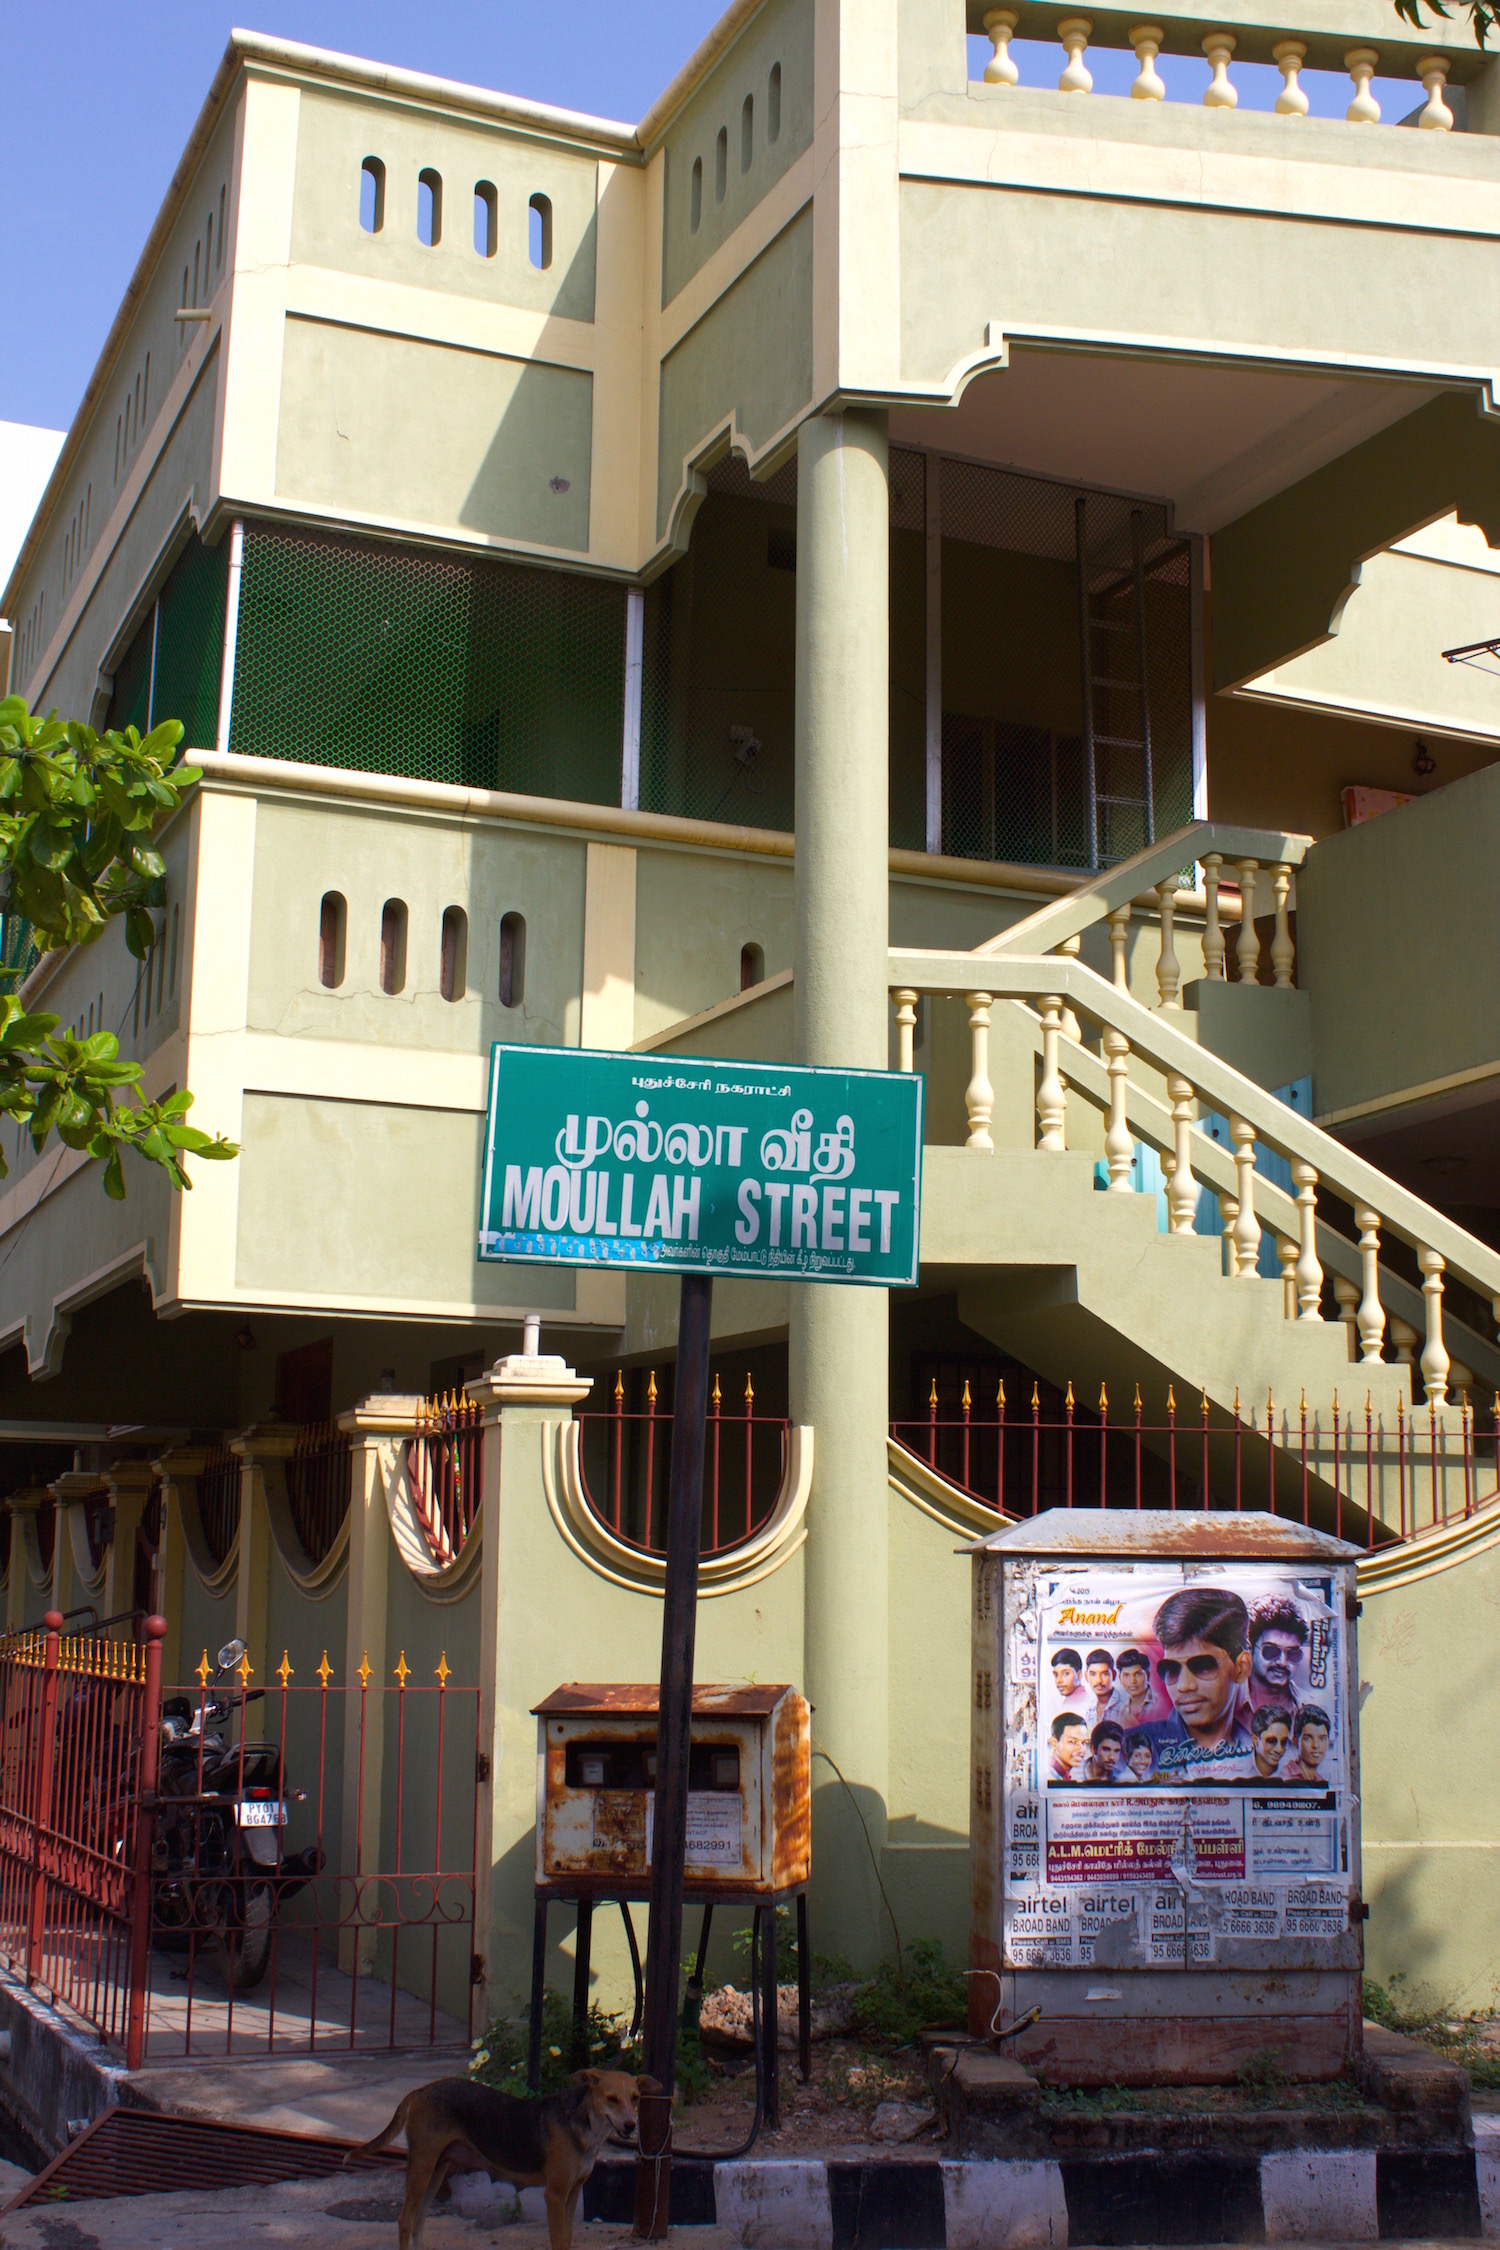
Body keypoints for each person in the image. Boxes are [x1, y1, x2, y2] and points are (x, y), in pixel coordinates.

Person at [1146, 1587, 1254, 1781]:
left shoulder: (1266, 1755)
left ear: (1241, 1667)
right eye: (1171, 1669)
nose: (1184, 1686)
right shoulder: (1129, 1750)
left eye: (1203, 1666)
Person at [1246, 1596, 1309, 1714]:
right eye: (1271, 1651)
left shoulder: (1312, 1707)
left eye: (1292, 1654)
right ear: (1250, 1648)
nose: (1282, 1662)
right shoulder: (1224, 1702)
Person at [1280, 1704, 1332, 1785]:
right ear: (1295, 1741)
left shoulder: (1321, 1782)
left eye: (1322, 1738)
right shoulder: (1283, 1777)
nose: (1315, 1745)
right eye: (1307, 1738)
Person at [1110, 1648, 1157, 1726]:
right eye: (1126, 1675)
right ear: (1120, 1679)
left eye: (1138, 1674)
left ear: (1148, 1675)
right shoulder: (1120, 1710)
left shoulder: (1160, 1704)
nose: (1132, 1681)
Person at [1247, 1705, 1292, 1783]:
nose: (1279, 1749)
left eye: (1283, 1742)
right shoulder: (1236, 1770)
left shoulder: (1291, 1776)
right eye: (1271, 1741)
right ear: (1255, 1740)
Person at [1047, 1711, 1090, 1783]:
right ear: (1054, 1743)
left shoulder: (1062, 1776)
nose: (1081, 1749)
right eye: (1072, 1742)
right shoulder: (1049, 1778)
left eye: (1084, 1743)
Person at [1083, 1719, 1125, 1784]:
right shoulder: (1075, 1773)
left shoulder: (1121, 1778)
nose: (1112, 1757)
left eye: (1116, 1751)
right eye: (1106, 1750)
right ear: (1093, 1749)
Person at [1083, 1649, 1118, 1729]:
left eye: (1104, 1674)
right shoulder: (1088, 1708)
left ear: (1114, 1675)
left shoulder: (1126, 1706)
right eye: (1093, 1674)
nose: (1099, 1680)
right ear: (1086, 1676)